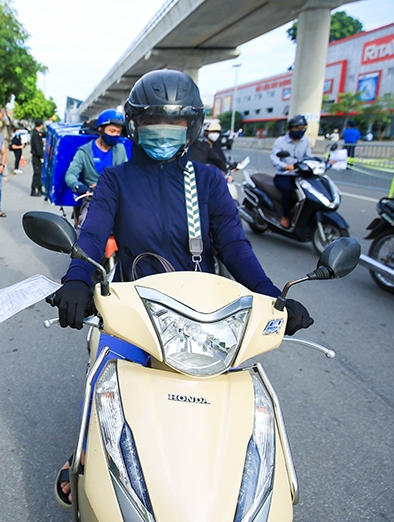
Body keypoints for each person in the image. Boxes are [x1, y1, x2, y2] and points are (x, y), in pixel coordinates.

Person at [51, 69, 312, 508]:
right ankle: (81, 453)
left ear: (190, 128)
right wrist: (77, 279)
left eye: (174, 126)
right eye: (153, 126)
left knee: (242, 391)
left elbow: (233, 244)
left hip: (205, 313)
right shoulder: (116, 180)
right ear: (135, 126)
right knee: (104, 379)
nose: (163, 136)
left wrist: (272, 296)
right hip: (134, 311)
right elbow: (92, 236)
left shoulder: (207, 181)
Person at [64, 109, 128, 227]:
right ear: (100, 129)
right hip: (93, 199)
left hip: (116, 198)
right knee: (86, 225)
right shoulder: (84, 151)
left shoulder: (120, 149)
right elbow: (70, 174)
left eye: (118, 132)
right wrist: (78, 185)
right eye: (112, 131)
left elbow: (127, 173)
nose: (116, 135)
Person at [270, 115, 312, 228]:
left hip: (300, 174)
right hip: (284, 175)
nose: (300, 131)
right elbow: (274, 158)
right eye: (297, 128)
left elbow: (308, 157)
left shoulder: (305, 141)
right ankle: (285, 217)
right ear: (290, 129)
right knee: (288, 191)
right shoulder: (280, 141)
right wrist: (285, 166)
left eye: (302, 128)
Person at [30, 119, 45, 196]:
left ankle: (39, 189)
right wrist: (42, 155)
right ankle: (33, 190)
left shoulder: (37, 133)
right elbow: (37, 147)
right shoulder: (35, 134)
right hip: (36, 156)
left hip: (38, 156)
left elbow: (43, 134)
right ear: (41, 125)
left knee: (39, 174)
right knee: (37, 174)